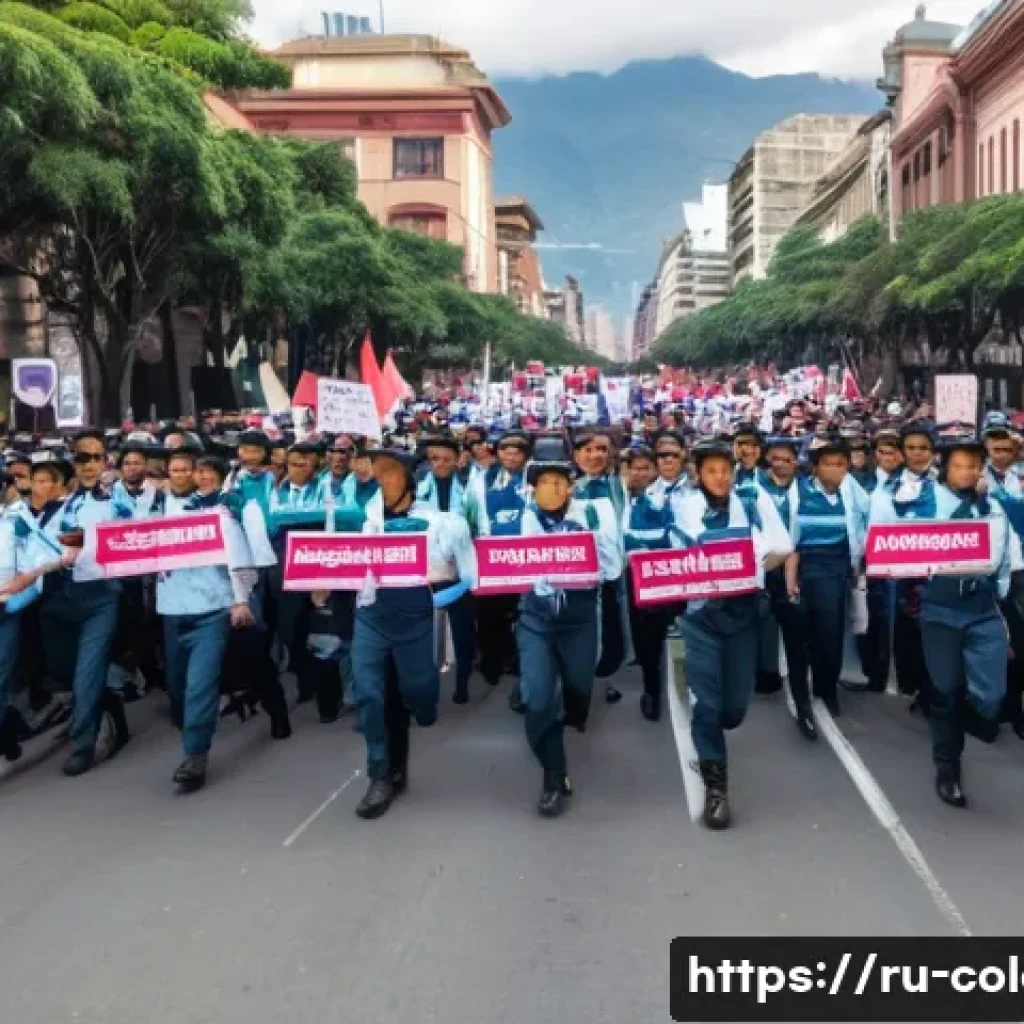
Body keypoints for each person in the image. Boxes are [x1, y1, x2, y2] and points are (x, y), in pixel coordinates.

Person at [673, 440, 793, 829]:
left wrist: (752, 565)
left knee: (734, 709)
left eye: (725, 469)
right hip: (702, 614)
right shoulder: (683, 505)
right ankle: (716, 788)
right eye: (711, 471)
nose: (719, 478)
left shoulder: (753, 498)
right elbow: (674, 556)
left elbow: (782, 546)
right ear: (699, 474)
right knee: (707, 703)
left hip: (744, 613)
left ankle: (714, 737)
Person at [351, 448, 476, 820]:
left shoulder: (443, 523)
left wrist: (443, 595)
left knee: (416, 695)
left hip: (420, 618)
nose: (381, 479)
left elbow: (470, 573)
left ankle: (407, 735)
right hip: (372, 616)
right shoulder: (361, 518)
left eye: (389, 472)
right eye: (376, 472)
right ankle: (380, 774)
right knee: (371, 695)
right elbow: (335, 559)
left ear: (408, 478)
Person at [900, 432, 1010, 807]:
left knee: (992, 694)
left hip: (982, 608)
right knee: (944, 692)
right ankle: (948, 767)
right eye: (959, 465)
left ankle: (969, 720)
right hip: (940, 610)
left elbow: (1003, 549)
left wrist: (1002, 585)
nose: (966, 472)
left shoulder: (991, 503)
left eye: (973, 465)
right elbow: (900, 539)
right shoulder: (924, 499)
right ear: (946, 466)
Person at [40, 429, 136, 777]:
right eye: (83, 458)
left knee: (87, 673)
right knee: (63, 671)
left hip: (100, 596)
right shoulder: (52, 497)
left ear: (106, 460)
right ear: (72, 461)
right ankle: (109, 706)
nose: (90, 465)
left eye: (97, 458)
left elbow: (137, 541)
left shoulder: (118, 501)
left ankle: (84, 744)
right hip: (54, 597)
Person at [517, 461, 602, 816]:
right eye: (543, 482)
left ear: (570, 487)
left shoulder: (594, 515)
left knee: (579, 684)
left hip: (578, 618)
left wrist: (582, 549)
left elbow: (611, 565)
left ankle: (575, 706)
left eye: (558, 482)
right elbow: (498, 563)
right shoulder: (521, 521)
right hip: (536, 618)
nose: (550, 488)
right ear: (533, 489)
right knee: (537, 699)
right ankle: (554, 773)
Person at [783, 436, 868, 728]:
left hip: (838, 567)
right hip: (807, 565)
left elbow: (872, 516)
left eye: (841, 464)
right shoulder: (799, 491)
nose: (835, 469)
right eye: (828, 463)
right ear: (815, 467)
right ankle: (802, 694)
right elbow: (791, 539)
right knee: (805, 634)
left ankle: (826, 688)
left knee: (831, 634)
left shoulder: (851, 490)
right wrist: (791, 576)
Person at [417, 435, 475, 703]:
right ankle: (428, 686)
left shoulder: (469, 486)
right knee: (426, 633)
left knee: (463, 630)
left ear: (458, 460)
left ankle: (462, 683)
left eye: (446, 459)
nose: (439, 464)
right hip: (428, 569)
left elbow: (477, 523)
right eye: (434, 459)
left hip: (461, 568)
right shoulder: (417, 486)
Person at [622, 445, 677, 722]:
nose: (639, 473)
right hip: (633, 575)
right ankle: (650, 688)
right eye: (635, 468)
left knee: (661, 635)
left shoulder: (667, 498)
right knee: (644, 638)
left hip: (666, 573)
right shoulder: (618, 495)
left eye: (645, 468)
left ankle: (660, 690)